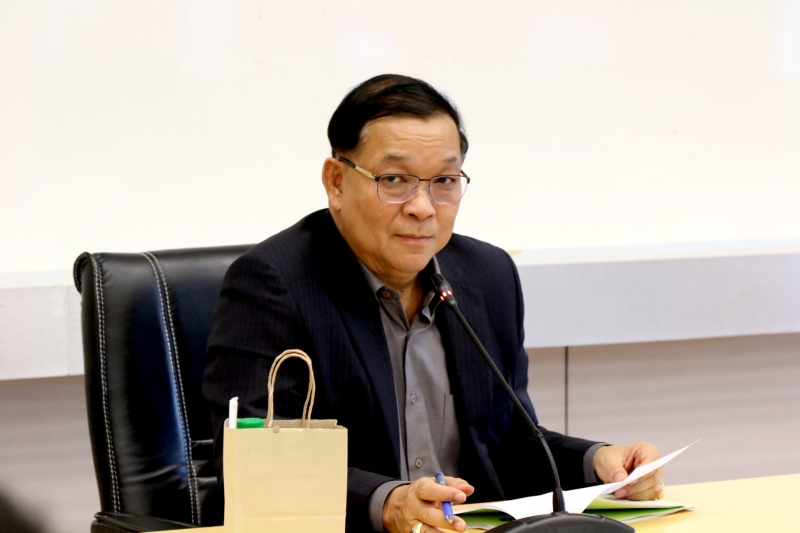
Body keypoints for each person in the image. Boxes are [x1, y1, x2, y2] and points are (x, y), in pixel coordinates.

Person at [202, 74, 664, 533]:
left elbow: (508, 441)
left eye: (444, 180)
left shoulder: (487, 275)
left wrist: (598, 461)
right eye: (394, 180)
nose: (423, 207)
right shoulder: (273, 283)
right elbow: (255, 464)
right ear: (336, 182)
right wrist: (389, 503)